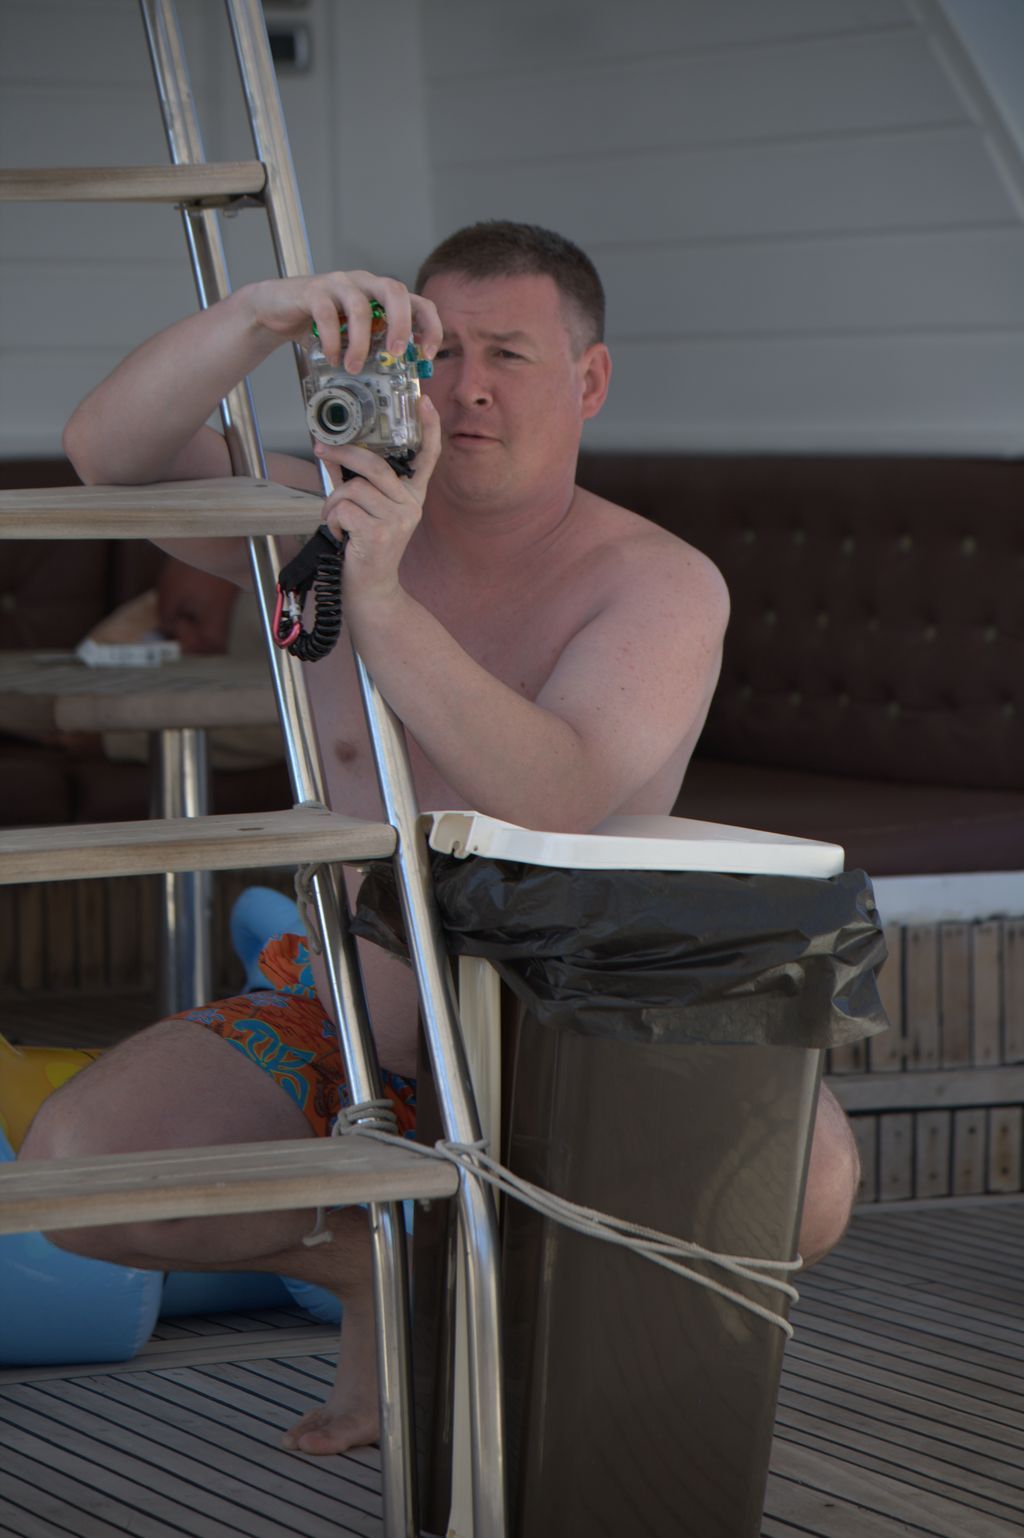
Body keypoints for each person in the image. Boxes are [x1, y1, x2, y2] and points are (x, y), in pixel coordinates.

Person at [22, 221, 860, 1456]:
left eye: (507, 353)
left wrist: (378, 595)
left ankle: (531, 1315)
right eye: (437, 351)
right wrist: (262, 313)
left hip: (580, 1014)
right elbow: (109, 455)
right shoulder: (314, 518)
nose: (465, 387)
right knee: (76, 1171)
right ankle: (383, 1262)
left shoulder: (655, 578)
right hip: (353, 1003)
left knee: (808, 1180)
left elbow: (554, 794)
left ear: (588, 380)